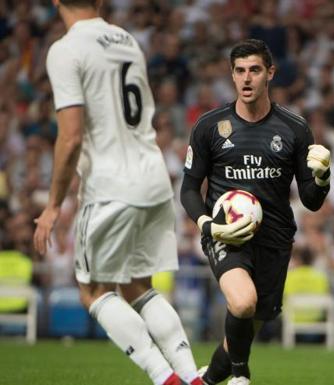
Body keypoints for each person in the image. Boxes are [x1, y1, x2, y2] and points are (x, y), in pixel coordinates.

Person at [32, 2, 202, 385]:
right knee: (139, 286)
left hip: (111, 183)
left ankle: (164, 378)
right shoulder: (127, 40)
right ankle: (192, 376)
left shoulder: (66, 48)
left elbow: (71, 135)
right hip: (153, 175)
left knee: (93, 290)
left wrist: (53, 204)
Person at [180, 39, 331, 385]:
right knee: (243, 303)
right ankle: (240, 376)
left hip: (275, 240)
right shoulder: (209, 126)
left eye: (255, 70)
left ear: (270, 74)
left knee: (245, 327)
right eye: (239, 71)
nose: (246, 78)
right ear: (232, 76)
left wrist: (322, 177)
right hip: (226, 235)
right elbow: (189, 188)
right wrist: (207, 225)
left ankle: (207, 380)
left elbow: (311, 200)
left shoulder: (294, 129)